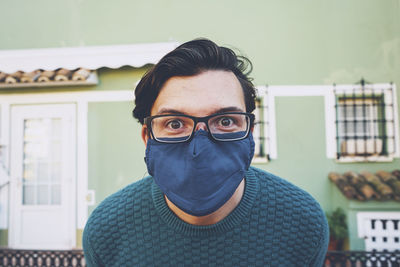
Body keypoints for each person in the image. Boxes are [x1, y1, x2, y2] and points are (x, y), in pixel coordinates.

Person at [82, 38, 329, 266]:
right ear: (148, 137)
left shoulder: (303, 223)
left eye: (225, 121)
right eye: (175, 123)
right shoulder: (107, 230)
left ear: (250, 131)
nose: (199, 150)